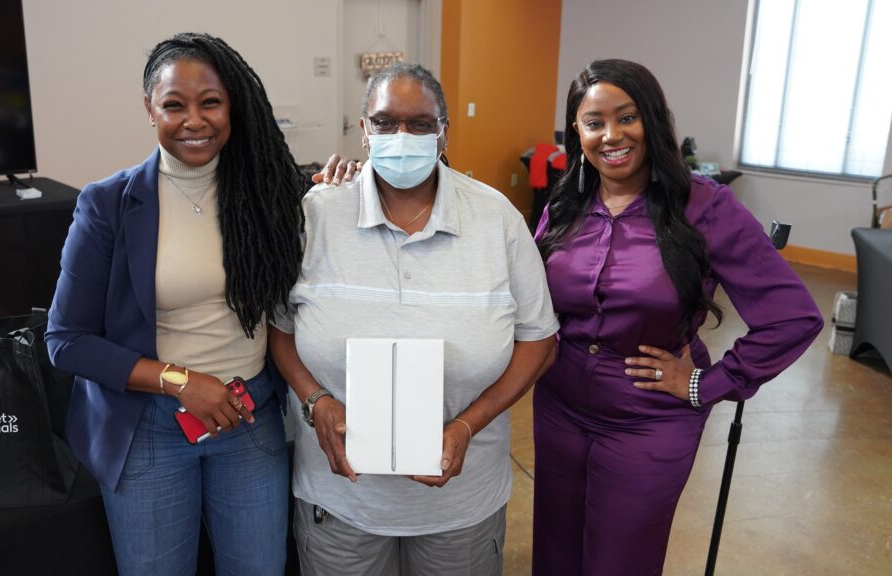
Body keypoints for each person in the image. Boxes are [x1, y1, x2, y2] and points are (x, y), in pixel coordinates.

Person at [531, 59, 824, 575]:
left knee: (620, 563)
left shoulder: (705, 207)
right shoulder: (566, 205)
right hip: (559, 410)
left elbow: (793, 317)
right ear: (576, 132)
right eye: (594, 122)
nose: (611, 135)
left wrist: (706, 384)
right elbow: (526, 296)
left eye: (626, 117)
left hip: (648, 420)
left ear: (653, 119)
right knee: (556, 555)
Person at [268, 63, 559, 576]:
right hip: (342, 502)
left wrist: (471, 423)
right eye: (384, 122)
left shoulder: (497, 221)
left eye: (420, 124)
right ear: (363, 130)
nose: (401, 136)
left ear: (445, 131)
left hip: (461, 506)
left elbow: (540, 339)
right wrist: (316, 400)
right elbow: (280, 331)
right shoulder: (315, 215)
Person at [45, 32, 302, 576]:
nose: (195, 120)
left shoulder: (269, 193)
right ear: (149, 108)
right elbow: (64, 341)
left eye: (210, 102)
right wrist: (181, 381)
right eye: (174, 105)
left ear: (233, 103)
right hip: (148, 425)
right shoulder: (109, 204)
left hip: (248, 415)